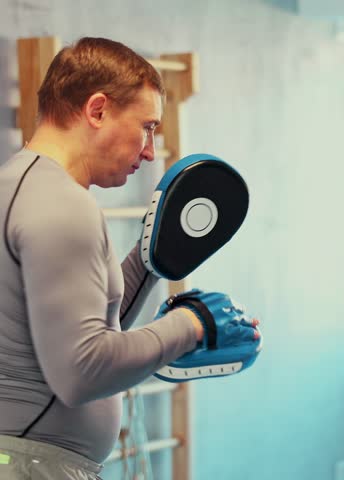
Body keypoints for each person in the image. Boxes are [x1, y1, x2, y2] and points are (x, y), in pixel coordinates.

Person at [0, 37, 259, 479]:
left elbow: (63, 335)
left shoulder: (21, 185)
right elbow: (82, 371)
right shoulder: (61, 205)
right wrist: (193, 324)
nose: (150, 151)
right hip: (32, 466)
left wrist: (148, 261)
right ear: (97, 110)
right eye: (147, 127)